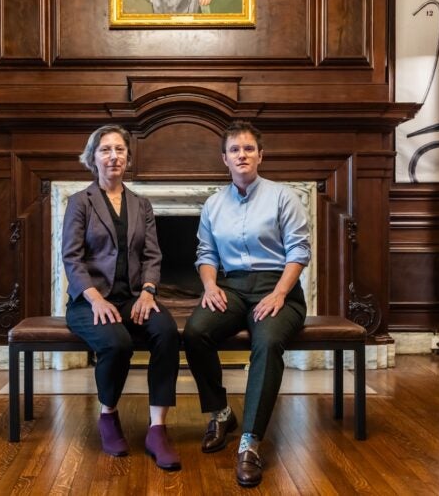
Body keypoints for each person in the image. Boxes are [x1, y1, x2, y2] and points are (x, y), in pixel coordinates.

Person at [182, 121, 310, 488]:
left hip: (277, 285)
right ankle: (221, 413)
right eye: (235, 149)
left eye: (249, 148)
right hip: (232, 287)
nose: (242, 154)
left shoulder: (284, 197)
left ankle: (250, 442)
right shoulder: (213, 204)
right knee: (195, 332)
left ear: (260, 155)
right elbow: (205, 253)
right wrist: (209, 285)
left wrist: (280, 293)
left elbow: (299, 251)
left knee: (267, 343)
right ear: (225, 158)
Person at [62, 125, 181, 470]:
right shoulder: (79, 202)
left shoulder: (140, 204)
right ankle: (108, 415)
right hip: (89, 301)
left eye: (119, 150)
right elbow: (72, 258)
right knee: (117, 344)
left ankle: (158, 429)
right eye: (105, 150)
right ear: (93, 157)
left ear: (128, 157)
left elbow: (152, 256)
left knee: (166, 332)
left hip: (132, 298)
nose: (113, 156)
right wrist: (95, 298)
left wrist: (148, 291)